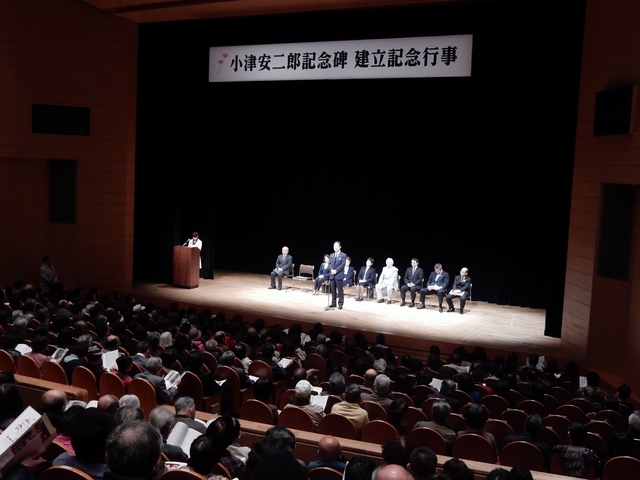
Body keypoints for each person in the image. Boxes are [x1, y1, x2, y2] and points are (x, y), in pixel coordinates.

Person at [328, 241, 347, 309]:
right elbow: (329, 264)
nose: (335, 247)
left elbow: (342, 264)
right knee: (333, 290)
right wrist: (331, 270)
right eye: (334, 246)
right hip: (332, 275)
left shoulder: (343, 255)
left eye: (337, 246)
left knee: (340, 291)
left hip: (339, 275)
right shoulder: (331, 255)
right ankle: (333, 303)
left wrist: (336, 270)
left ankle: (340, 303)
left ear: (340, 247)